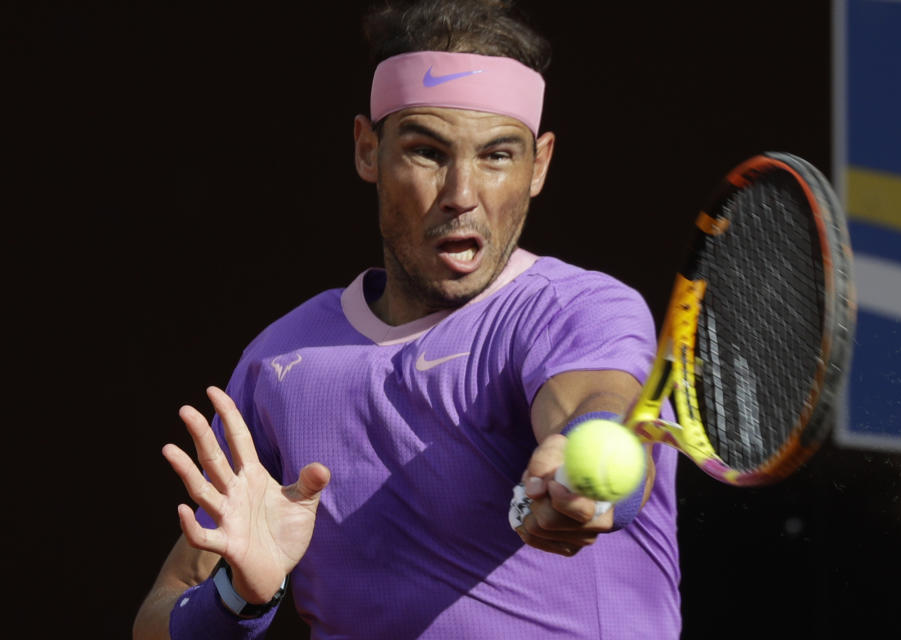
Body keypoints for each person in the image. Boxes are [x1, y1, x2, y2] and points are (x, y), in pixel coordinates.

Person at [133, 1, 680, 638]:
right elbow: (159, 616)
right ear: (368, 150)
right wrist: (237, 595)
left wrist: (579, 468)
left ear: (540, 165)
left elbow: (599, 402)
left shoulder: (576, 311)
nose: (462, 192)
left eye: (498, 155)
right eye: (426, 152)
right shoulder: (281, 360)